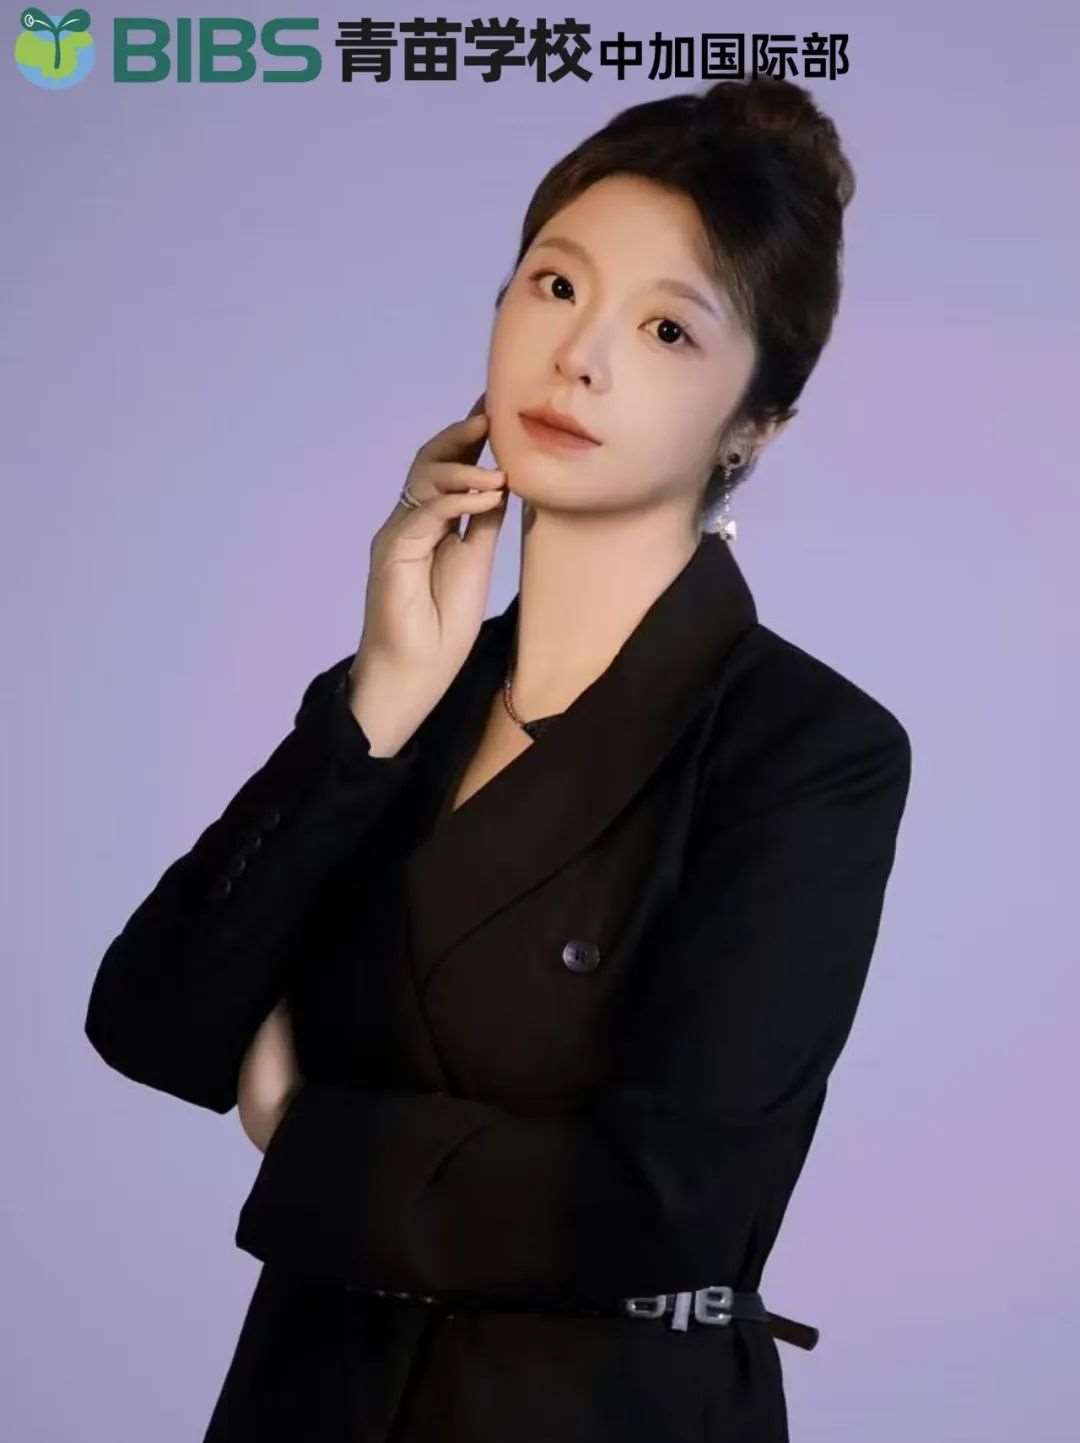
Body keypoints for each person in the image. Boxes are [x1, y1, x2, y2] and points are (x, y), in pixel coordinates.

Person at [85, 74, 913, 1443]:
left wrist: (307, 1129)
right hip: (313, 1402)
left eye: (665, 329)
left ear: (753, 425)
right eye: (554, 286)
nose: (579, 356)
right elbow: (154, 1023)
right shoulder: (415, 697)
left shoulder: (807, 749)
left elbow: (667, 1206)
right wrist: (377, 704)